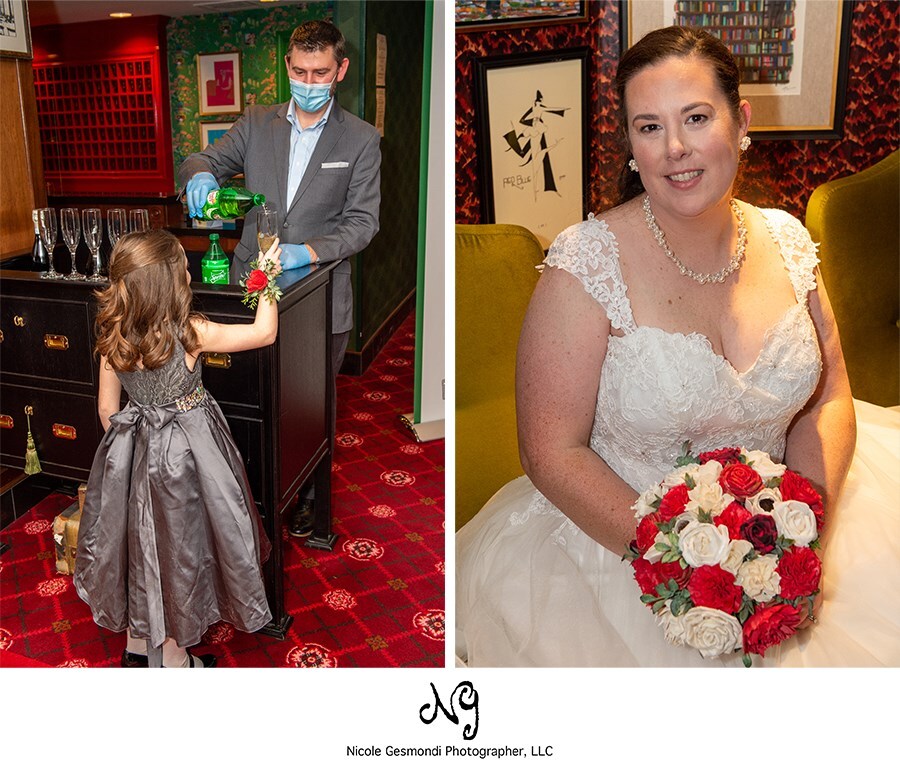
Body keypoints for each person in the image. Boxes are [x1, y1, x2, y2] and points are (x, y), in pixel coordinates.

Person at [456, 26, 900, 667]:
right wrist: (678, 565)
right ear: (631, 146)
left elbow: (828, 394)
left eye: (696, 118)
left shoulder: (788, 239)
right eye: (649, 127)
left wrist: (799, 539)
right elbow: (549, 450)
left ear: (740, 121)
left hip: (785, 526)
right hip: (622, 550)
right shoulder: (586, 263)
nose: (675, 149)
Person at [178, 19, 381, 538]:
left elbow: (363, 223)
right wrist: (200, 172)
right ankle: (249, 491)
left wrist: (306, 252)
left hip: (319, 299)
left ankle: (310, 496)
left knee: (310, 407)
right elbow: (206, 157)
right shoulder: (257, 122)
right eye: (298, 70)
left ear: (341, 70)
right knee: (248, 395)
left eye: (319, 72)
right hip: (249, 293)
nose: (307, 81)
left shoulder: (360, 139)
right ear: (286, 66)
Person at [74, 230, 283, 668]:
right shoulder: (190, 332)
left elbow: (108, 409)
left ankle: (136, 647)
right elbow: (264, 333)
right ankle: (175, 660)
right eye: (183, 266)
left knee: (139, 547)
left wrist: (131, 454)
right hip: (186, 461)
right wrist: (265, 270)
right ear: (168, 285)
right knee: (179, 550)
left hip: (132, 456)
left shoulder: (114, 334)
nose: (190, 269)